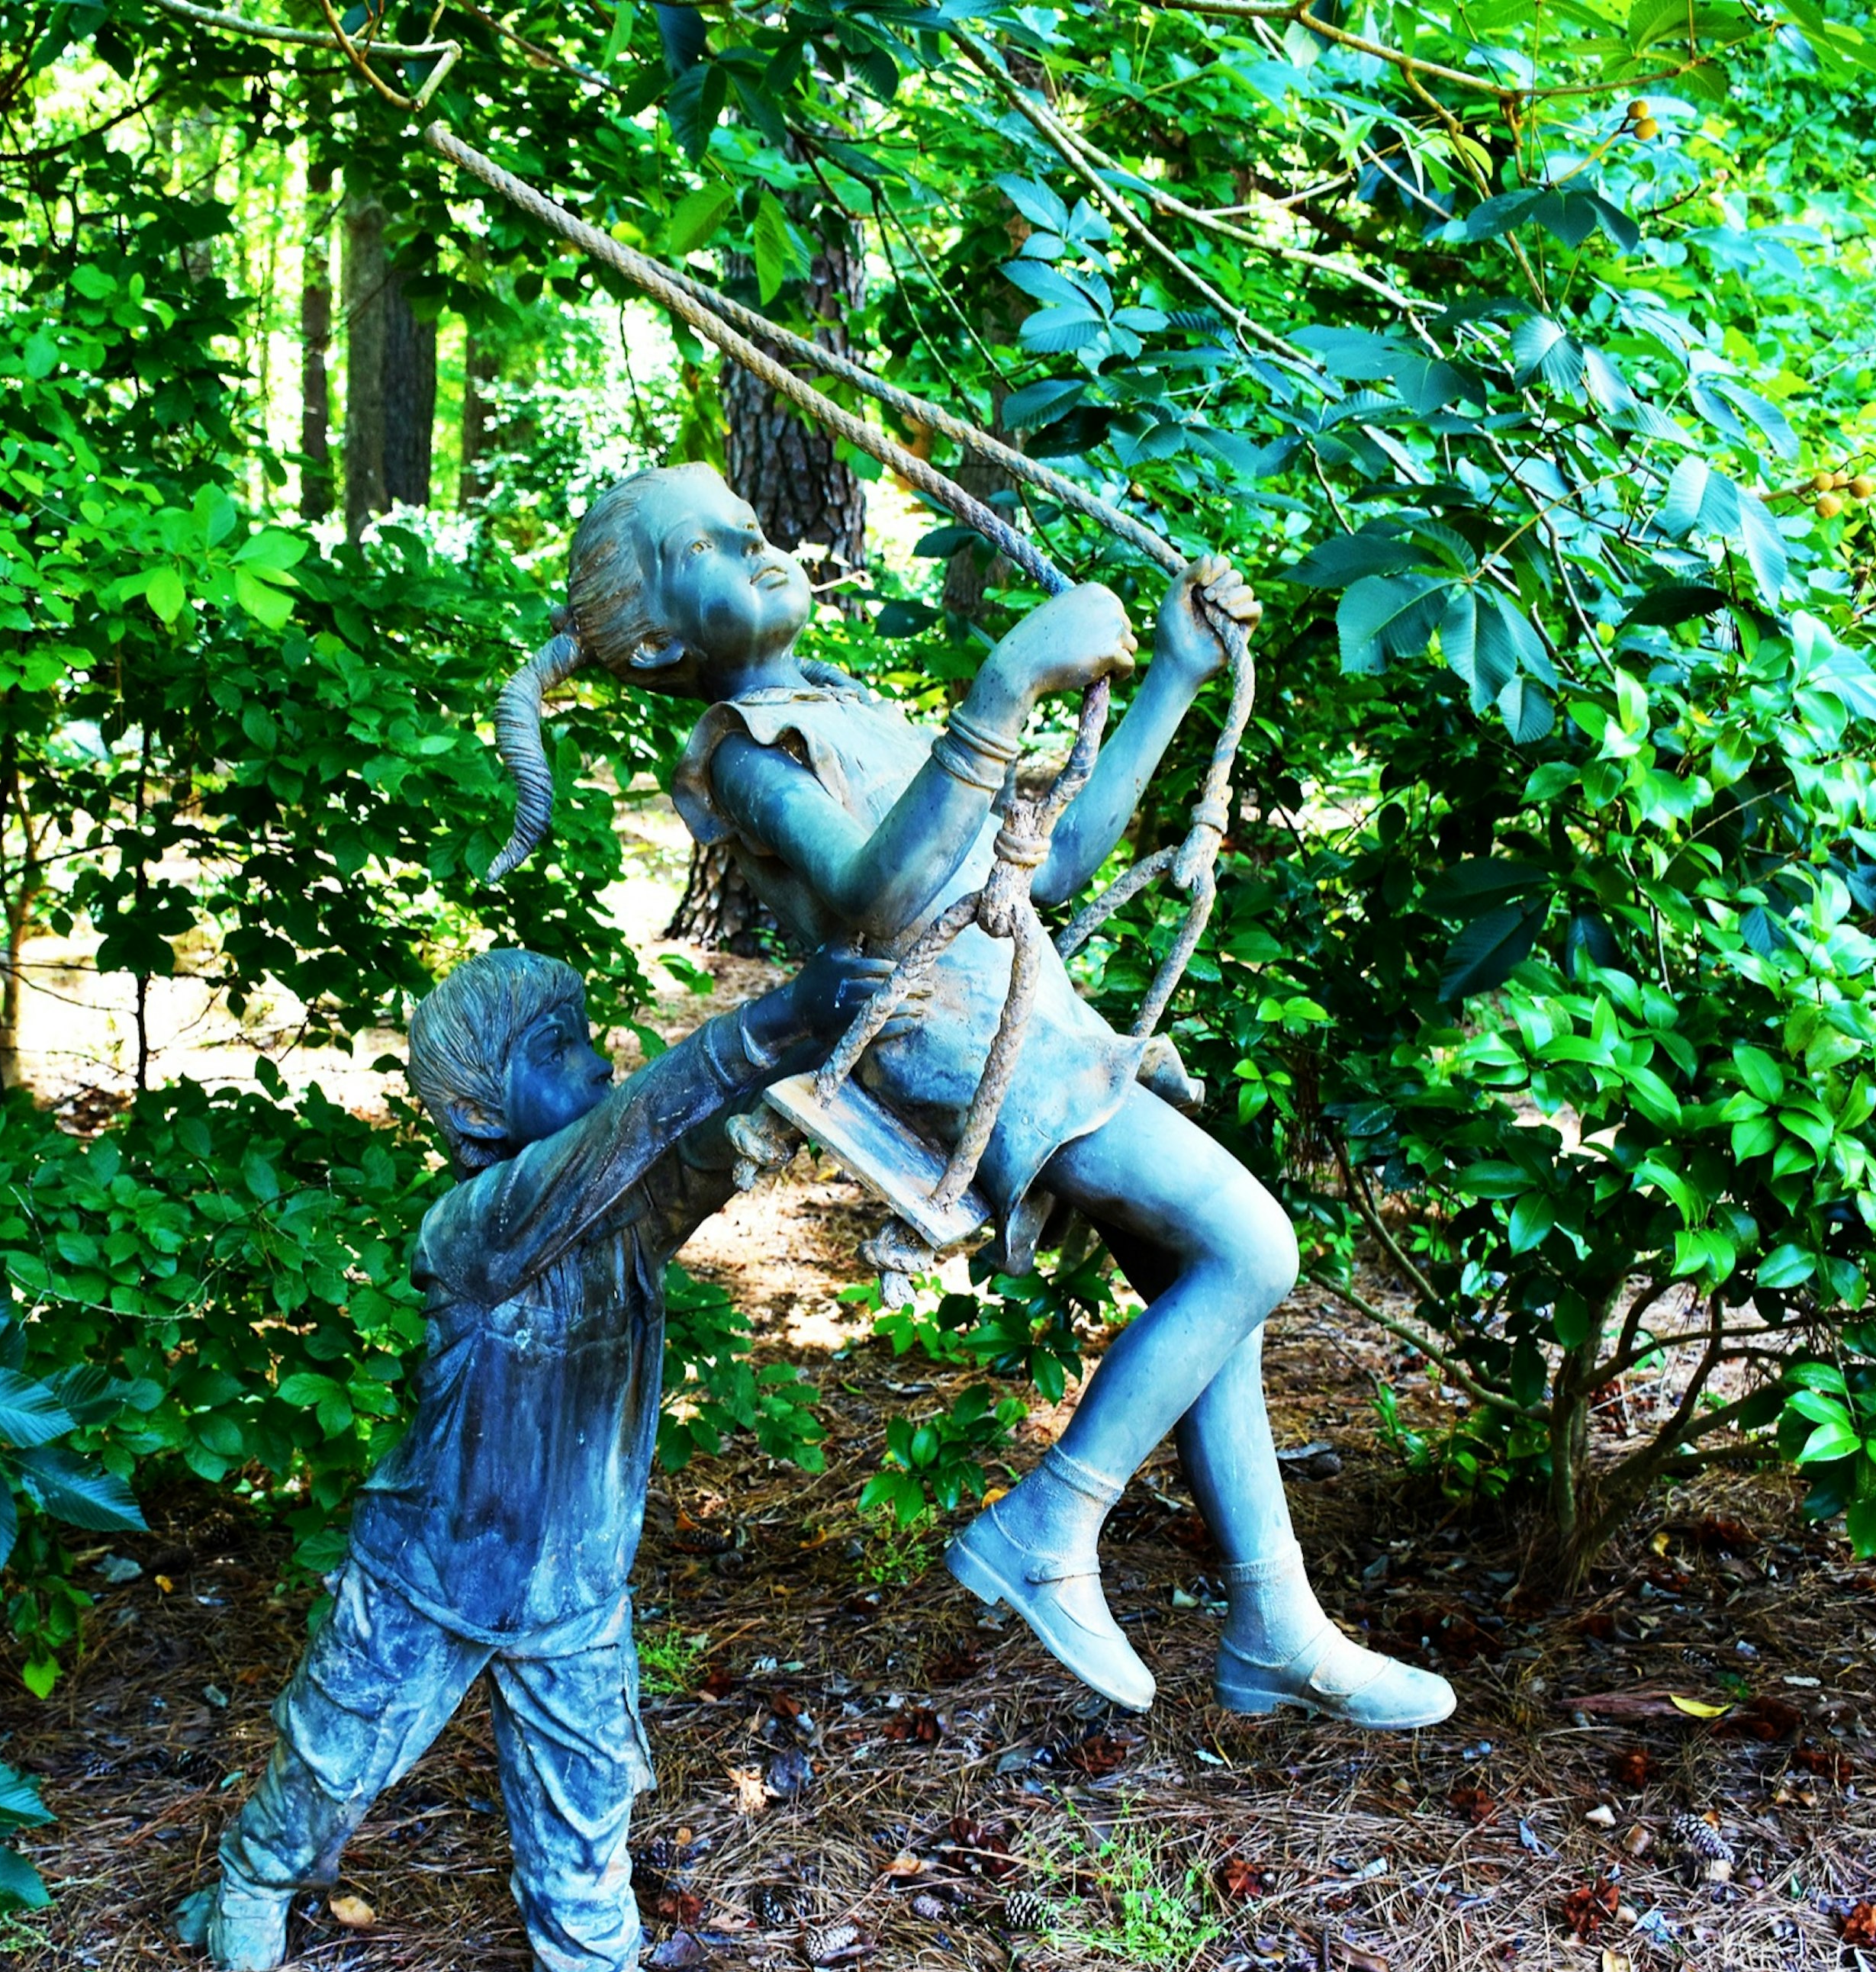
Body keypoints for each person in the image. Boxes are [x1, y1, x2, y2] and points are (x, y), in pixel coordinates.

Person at [484, 463, 1453, 1730]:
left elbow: (1047, 867)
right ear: (662, 637)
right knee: (1253, 1247)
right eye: (716, 547)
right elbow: (874, 906)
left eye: (759, 525)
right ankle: (1050, 1524)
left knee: (1205, 1294)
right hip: (960, 1048)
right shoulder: (742, 759)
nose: (764, 545)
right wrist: (1002, 687)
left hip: (1035, 1025)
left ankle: (1276, 1624)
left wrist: (1171, 675)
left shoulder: (842, 706)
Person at [182, 938, 892, 1972]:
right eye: (561, 1050)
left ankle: (592, 1968)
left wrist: (802, 1071)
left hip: (571, 1585)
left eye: (592, 1041)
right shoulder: (476, 1224)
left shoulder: (619, 1217)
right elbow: (633, 1124)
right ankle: (255, 1876)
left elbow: (686, 1152)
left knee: (588, 1788)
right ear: (478, 1117)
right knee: (335, 1753)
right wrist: (771, 1018)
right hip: (433, 1573)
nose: (600, 1063)